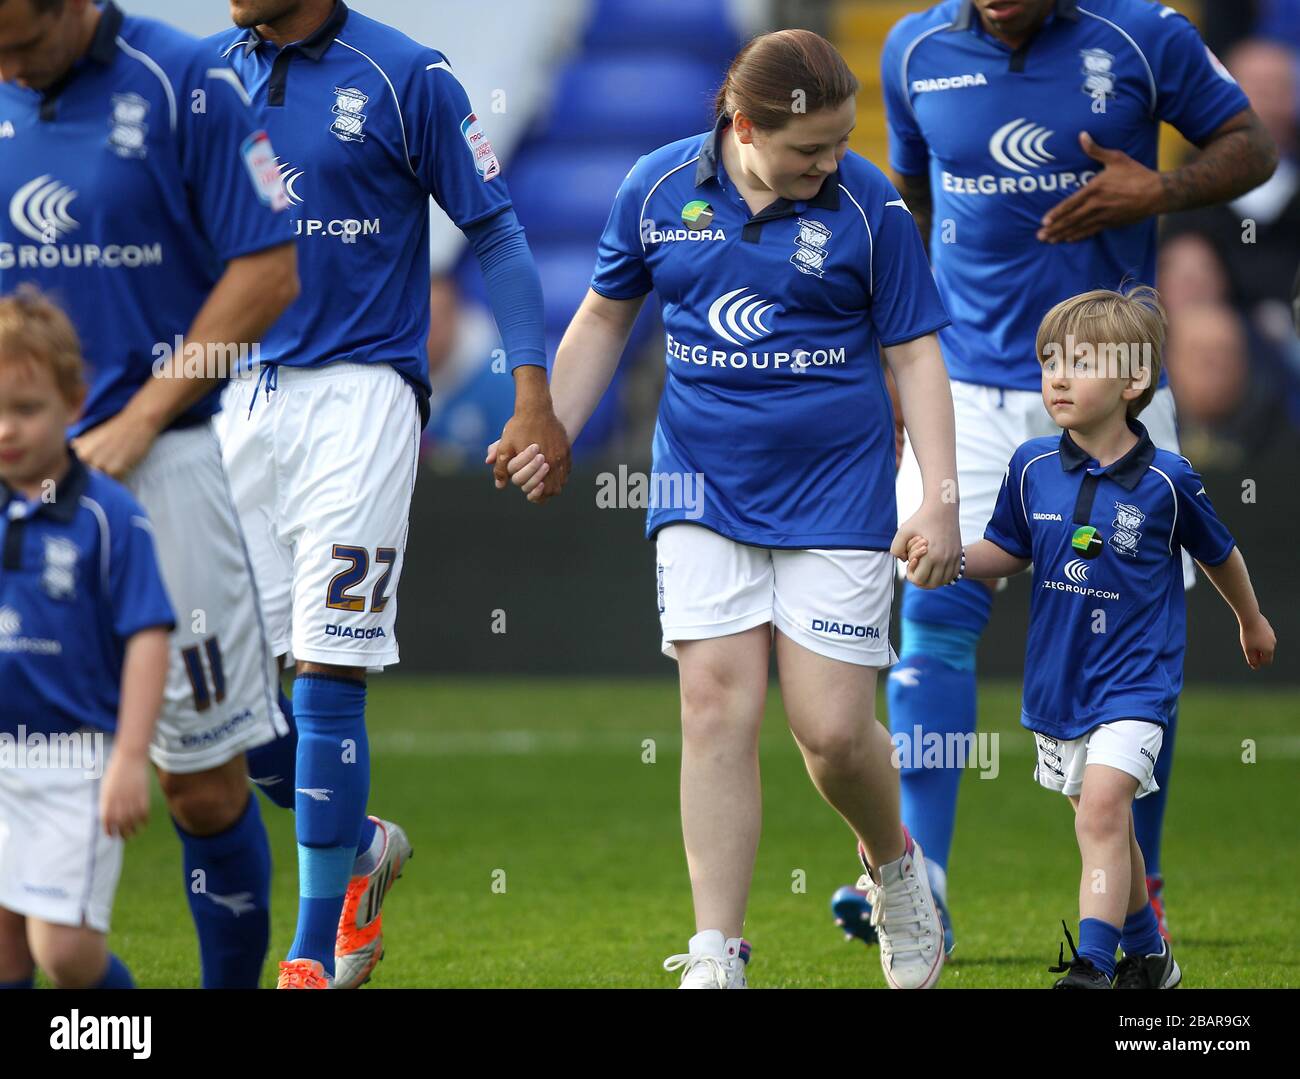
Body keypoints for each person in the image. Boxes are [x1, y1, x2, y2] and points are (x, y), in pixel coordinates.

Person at [493, 29, 959, 989]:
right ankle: (717, 949)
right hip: (698, 484)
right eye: (809, 151)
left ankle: (896, 868)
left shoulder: (871, 204)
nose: (830, 163)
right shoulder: (658, 189)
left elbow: (915, 354)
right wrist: (554, 430)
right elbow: (604, 316)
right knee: (713, 708)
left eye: (837, 144)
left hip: (839, 490)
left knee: (830, 730)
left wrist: (939, 501)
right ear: (743, 127)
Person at [838, 0, 1279, 952]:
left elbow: (1253, 147)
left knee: (1129, 654)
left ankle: (1138, 885)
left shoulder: (1143, 36)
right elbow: (914, 204)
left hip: (1116, 389)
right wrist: (901, 341)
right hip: (965, 385)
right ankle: (926, 878)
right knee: (934, 611)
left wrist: (1156, 193)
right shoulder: (915, 46)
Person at [212, 0, 563, 988]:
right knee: (210, 701)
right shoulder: (204, 75)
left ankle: (311, 949)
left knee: (326, 672)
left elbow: (494, 230)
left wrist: (530, 394)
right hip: (234, 395)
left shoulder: (407, 75)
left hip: (364, 396)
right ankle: (359, 844)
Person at [0, 0, 300, 988]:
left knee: (204, 787)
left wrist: (137, 419)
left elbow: (268, 272)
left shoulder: (188, 81)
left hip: (158, 469)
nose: (6, 64)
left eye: (21, 43)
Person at [904, 285, 1276, 987]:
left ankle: (1095, 966)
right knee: (1106, 825)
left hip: (1136, 685)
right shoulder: (1031, 466)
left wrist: (1249, 619)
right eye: (1050, 360)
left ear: (1135, 380)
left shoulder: (1169, 478)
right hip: (1058, 685)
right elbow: (1007, 551)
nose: (1057, 376)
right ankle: (1153, 960)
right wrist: (945, 561)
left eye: (1080, 360)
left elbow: (1219, 553)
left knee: (1103, 811)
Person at [0, 287, 173, 989]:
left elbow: (148, 635)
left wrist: (131, 756)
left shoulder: (109, 516)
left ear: (75, 403)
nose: (6, 428)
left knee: (65, 953)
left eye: (27, 408)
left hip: (75, 765)